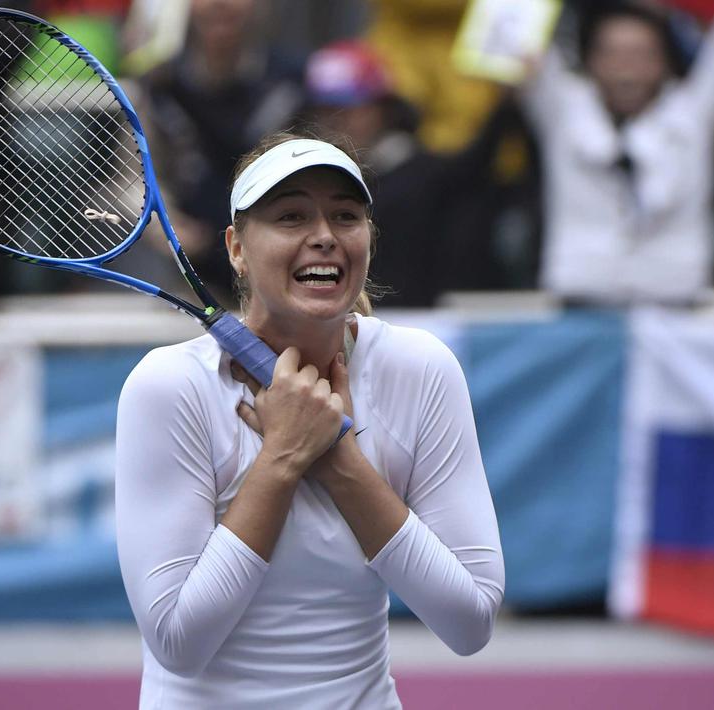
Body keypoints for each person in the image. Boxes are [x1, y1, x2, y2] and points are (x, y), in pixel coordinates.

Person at [114, 133, 504, 708]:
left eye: (345, 216)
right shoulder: (169, 385)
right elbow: (179, 642)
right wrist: (283, 457)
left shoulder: (421, 369)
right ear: (237, 248)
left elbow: (470, 622)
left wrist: (338, 459)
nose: (324, 236)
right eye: (291, 216)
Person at [520, 0, 714, 305]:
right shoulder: (564, 110)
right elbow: (517, 19)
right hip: (581, 304)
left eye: (640, 55)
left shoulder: (694, 115)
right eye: (612, 54)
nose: (626, 70)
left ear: (664, 62)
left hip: (675, 306)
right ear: (590, 61)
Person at [304, 40, 530, 306]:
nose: (336, 123)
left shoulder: (423, 174)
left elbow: (476, 165)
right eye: (325, 112)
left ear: (382, 109)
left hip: (420, 319)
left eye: (349, 110)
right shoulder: (302, 181)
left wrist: (506, 103)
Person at [141, 0, 306, 304]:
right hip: (192, 278)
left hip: (283, 264)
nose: (220, 5)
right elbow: (132, 177)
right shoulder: (158, 84)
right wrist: (167, 226)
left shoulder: (296, 79)